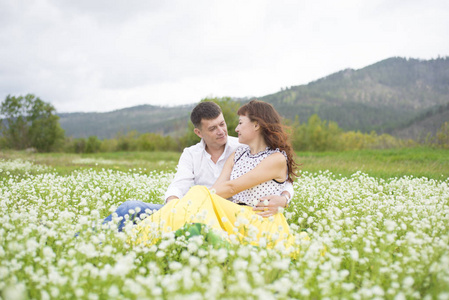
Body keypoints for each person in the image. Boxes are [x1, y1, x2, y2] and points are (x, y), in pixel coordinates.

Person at [103, 101, 294, 231]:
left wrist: (284, 199)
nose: (222, 131)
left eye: (222, 124)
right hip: (196, 208)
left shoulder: (242, 144)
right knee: (130, 208)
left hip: (221, 213)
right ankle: (88, 244)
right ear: (198, 132)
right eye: (212, 128)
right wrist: (175, 207)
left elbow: (281, 179)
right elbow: (180, 185)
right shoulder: (193, 154)